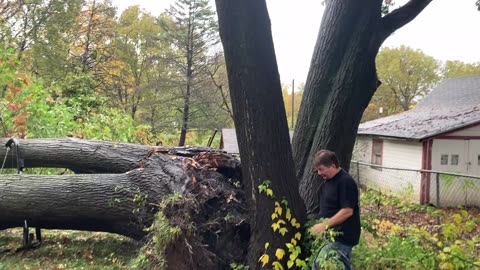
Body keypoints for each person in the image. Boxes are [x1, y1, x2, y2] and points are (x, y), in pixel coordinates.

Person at [310, 150, 360, 270]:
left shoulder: (345, 182)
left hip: (343, 236)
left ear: (332, 165)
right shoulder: (329, 181)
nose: (318, 173)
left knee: (318, 265)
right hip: (333, 236)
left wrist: (324, 225)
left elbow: (347, 211)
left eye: (321, 169)